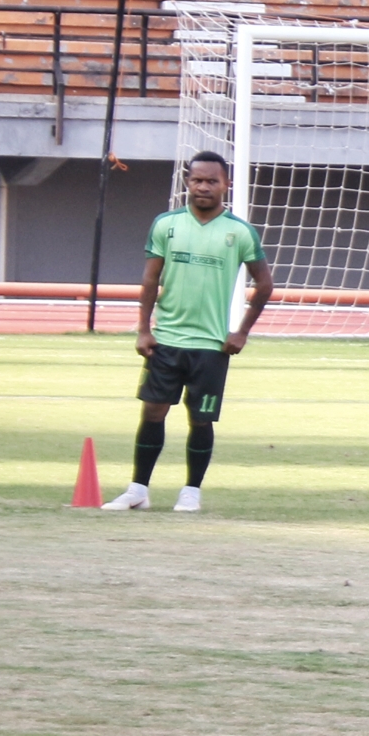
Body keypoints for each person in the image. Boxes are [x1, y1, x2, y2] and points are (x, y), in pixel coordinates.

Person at [104, 151, 272, 514]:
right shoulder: (166, 224)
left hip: (211, 346)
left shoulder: (239, 232)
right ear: (187, 183)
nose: (204, 186)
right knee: (152, 411)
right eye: (197, 180)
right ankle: (138, 490)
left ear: (226, 184)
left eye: (212, 180)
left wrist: (241, 332)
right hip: (166, 340)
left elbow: (265, 284)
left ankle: (191, 492)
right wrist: (143, 330)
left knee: (200, 418)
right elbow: (150, 279)